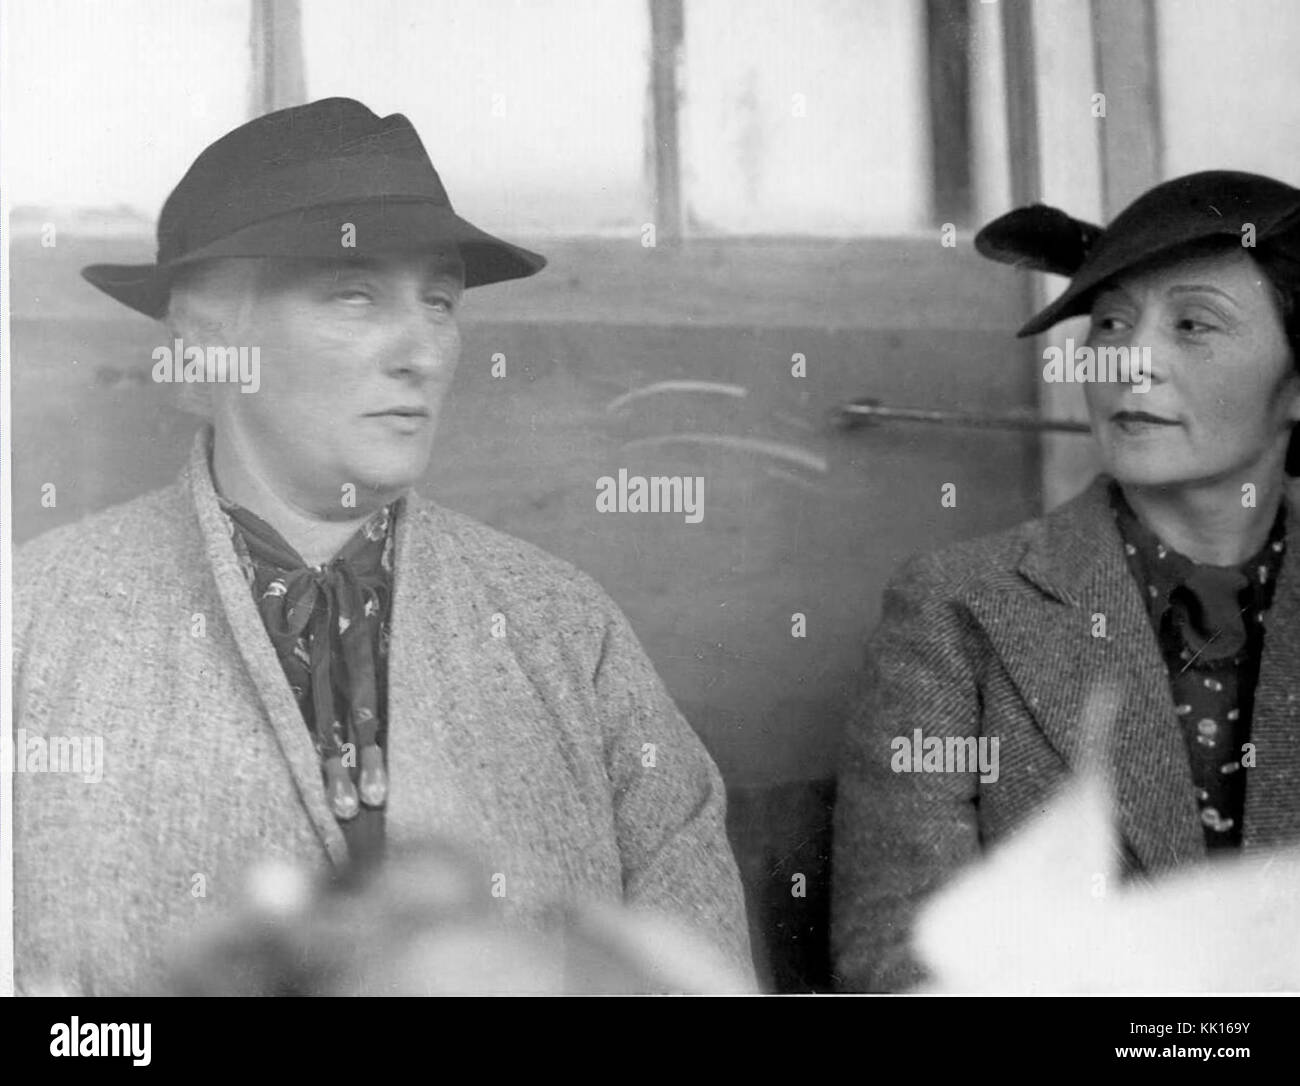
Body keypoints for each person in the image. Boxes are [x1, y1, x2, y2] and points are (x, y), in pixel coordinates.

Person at [12, 97, 754, 995]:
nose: (422, 353)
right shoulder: (33, 624)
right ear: (208, 341)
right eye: (354, 295)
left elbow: (705, 978)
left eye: (438, 302)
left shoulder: (564, 630)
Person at [832, 171, 1300, 992]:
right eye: (1111, 323)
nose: (1131, 359)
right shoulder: (955, 610)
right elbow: (903, 962)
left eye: (1194, 324)